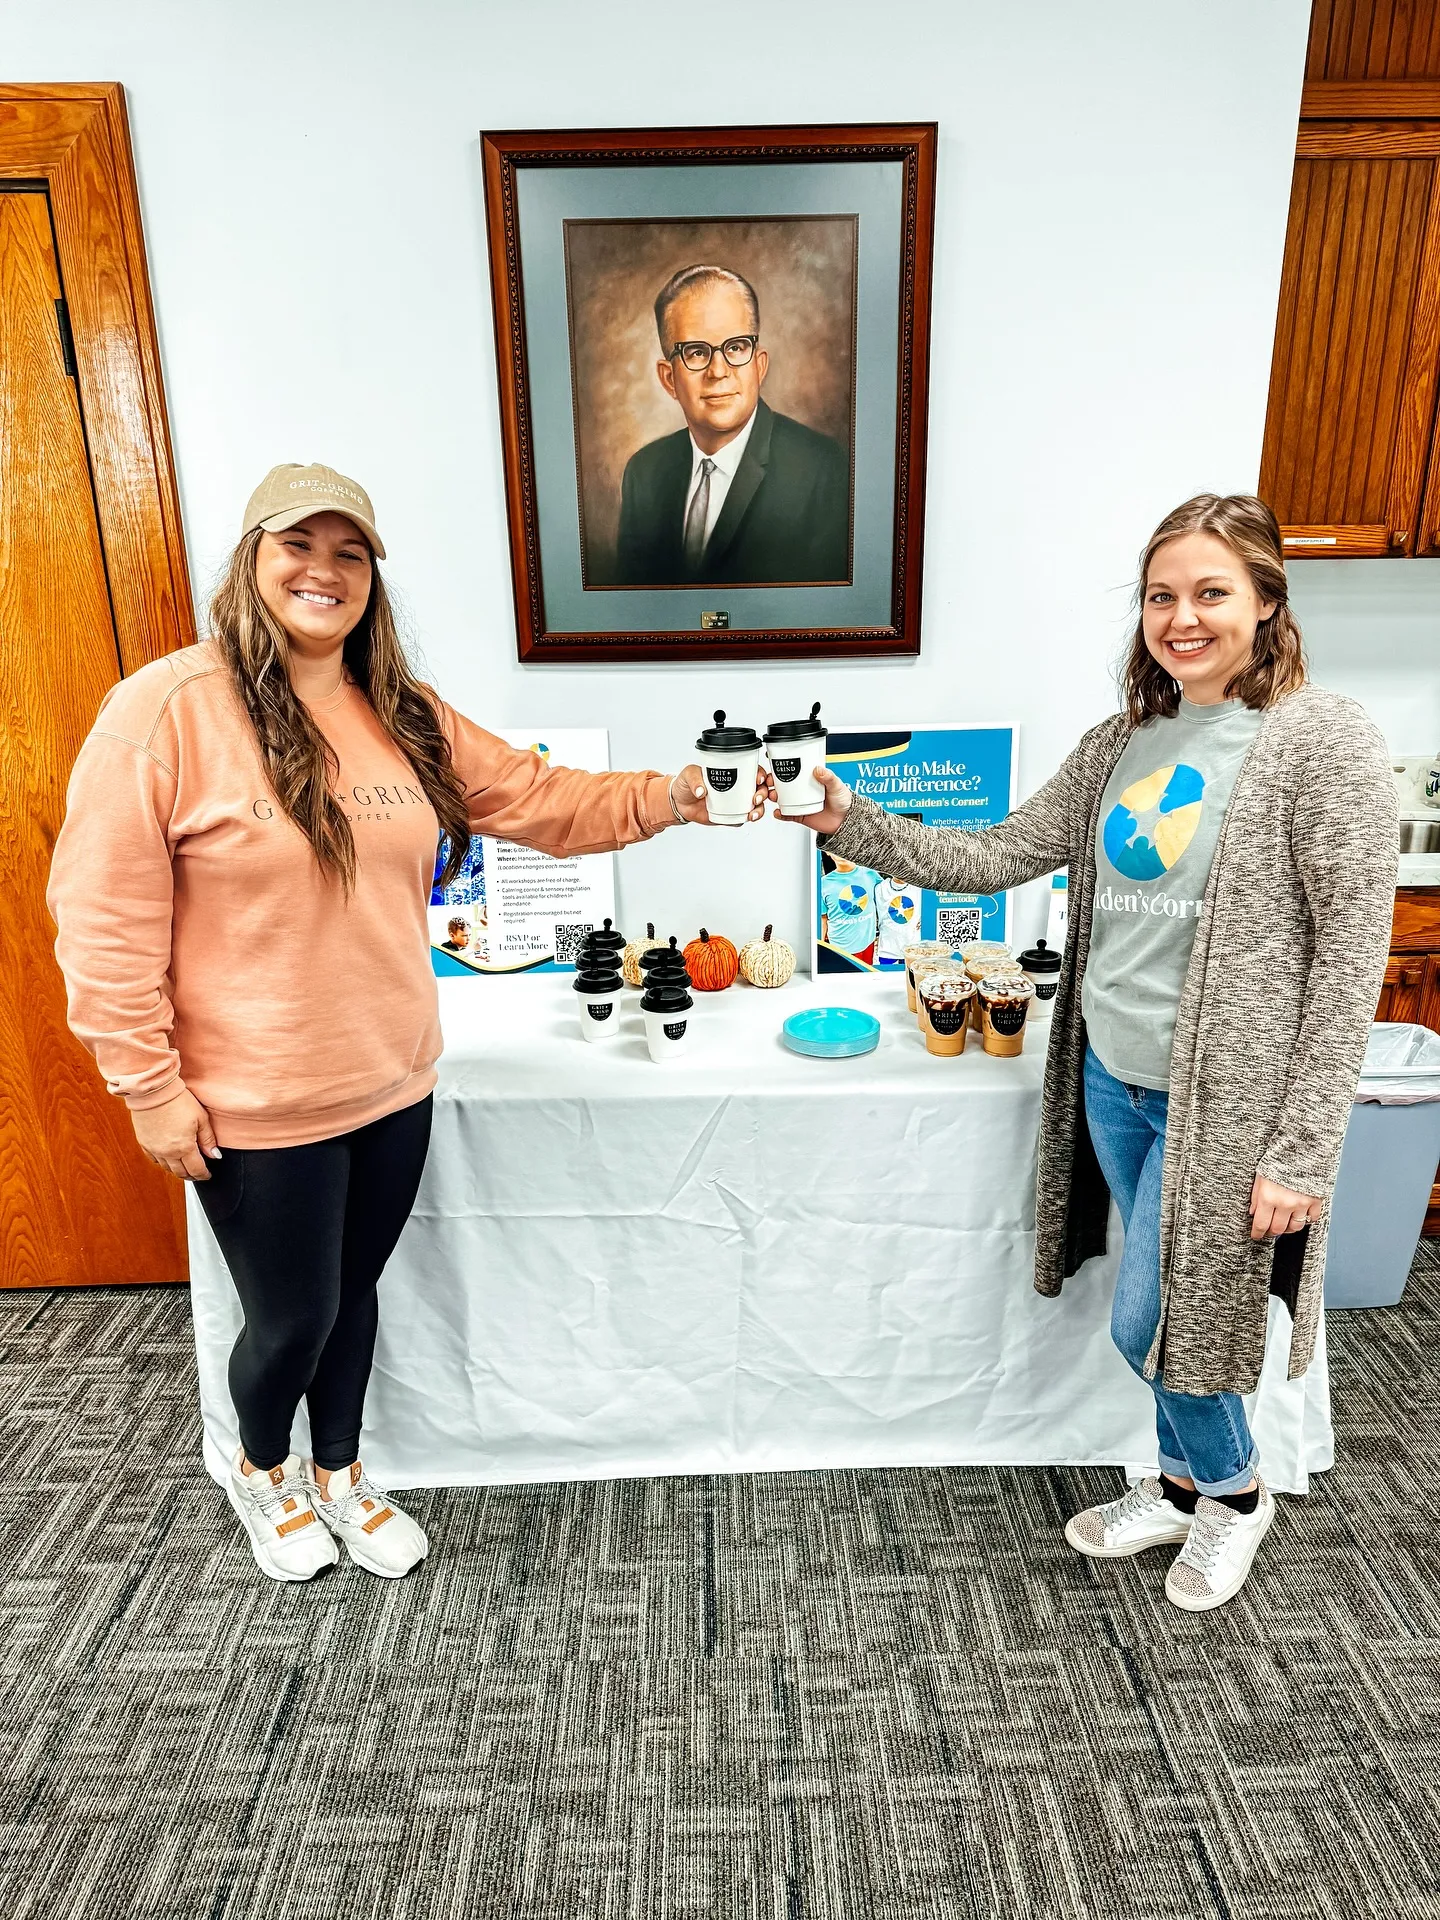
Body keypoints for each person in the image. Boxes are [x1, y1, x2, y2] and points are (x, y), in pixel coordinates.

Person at [48, 461, 767, 1586]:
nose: (323, 571)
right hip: (255, 1101)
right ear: (251, 561)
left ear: (371, 579)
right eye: (298, 546)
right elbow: (102, 920)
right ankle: (261, 1470)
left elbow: (539, 797)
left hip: (391, 1082)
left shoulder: (400, 711)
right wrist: (150, 1089)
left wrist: (674, 795)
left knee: (353, 1297)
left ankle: (341, 1474)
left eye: (350, 554)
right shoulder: (166, 711)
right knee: (291, 1320)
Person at [776, 493, 1397, 1611]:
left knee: (1154, 1319)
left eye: (1211, 593)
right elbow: (995, 852)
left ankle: (1235, 1495)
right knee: (1169, 1313)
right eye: (1162, 596)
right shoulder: (1121, 744)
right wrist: (845, 821)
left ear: (1267, 601)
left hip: (1230, 1105)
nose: (1182, 618)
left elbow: (1353, 958)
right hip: (1112, 1077)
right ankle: (1178, 1483)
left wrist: (1304, 1150)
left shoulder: (1322, 740)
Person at [614, 264, 851, 587]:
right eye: (696, 352)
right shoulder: (644, 474)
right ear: (669, 379)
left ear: (759, 366)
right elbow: (631, 604)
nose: (718, 371)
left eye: (736, 347)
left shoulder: (823, 469)